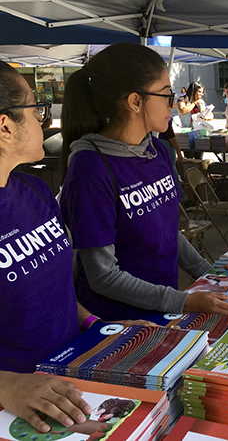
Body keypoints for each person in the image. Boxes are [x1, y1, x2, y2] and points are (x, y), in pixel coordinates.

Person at [0, 60, 156, 434]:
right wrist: (7, 385)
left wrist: (99, 328)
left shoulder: (35, 191)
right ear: (4, 127)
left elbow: (54, 292)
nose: (45, 120)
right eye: (35, 110)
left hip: (78, 369)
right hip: (23, 404)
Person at [59, 42, 228, 322]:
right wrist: (184, 301)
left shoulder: (158, 151)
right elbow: (103, 275)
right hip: (118, 323)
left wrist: (208, 273)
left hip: (164, 310)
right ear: (135, 101)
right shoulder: (90, 169)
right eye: (166, 94)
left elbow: (170, 231)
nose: (172, 103)